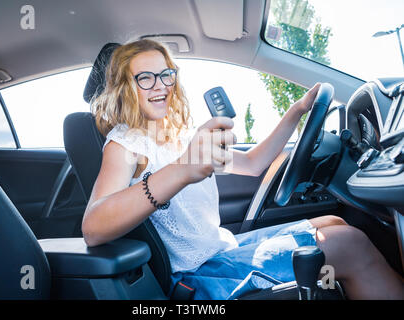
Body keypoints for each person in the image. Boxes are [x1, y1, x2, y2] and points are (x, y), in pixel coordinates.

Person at [82, 39, 403, 300]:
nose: (161, 85)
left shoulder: (179, 137)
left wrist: (297, 111)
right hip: (197, 275)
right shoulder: (125, 144)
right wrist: (181, 170)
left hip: (223, 248)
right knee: (351, 244)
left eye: (166, 74)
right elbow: (94, 228)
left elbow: (253, 164)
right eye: (145, 78)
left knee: (334, 222)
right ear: (126, 87)